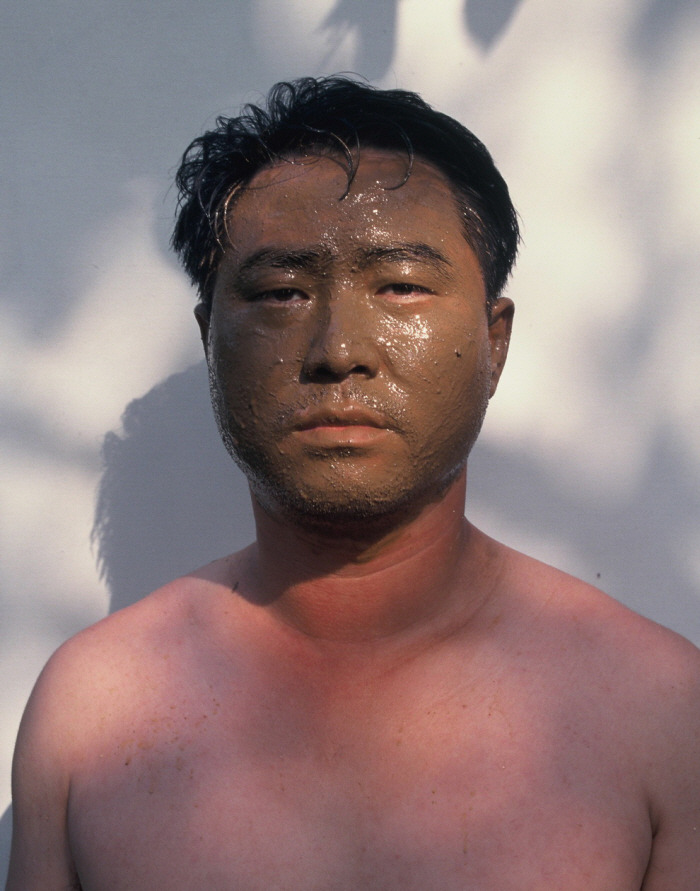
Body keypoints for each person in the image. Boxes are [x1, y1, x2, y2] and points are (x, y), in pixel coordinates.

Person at [7, 76, 700, 890]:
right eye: (281, 293)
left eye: (400, 285)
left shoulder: (657, 710)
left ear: (494, 342)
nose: (339, 349)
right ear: (209, 342)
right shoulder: (92, 714)